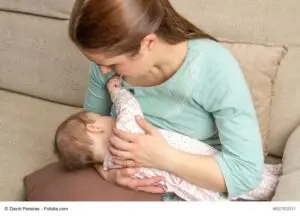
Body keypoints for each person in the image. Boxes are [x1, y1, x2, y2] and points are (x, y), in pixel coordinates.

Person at [68, 0, 265, 200]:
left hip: (195, 185)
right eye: (97, 63)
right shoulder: (105, 68)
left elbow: (245, 173)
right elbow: (87, 131)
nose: (102, 70)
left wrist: (163, 157)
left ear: (148, 43)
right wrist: (108, 173)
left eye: (111, 63)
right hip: (126, 179)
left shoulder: (212, 66)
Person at [54, 76, 281, 201]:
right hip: (196, 161)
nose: (105, 115)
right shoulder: (125, 130)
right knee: (246, 178)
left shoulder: (111, 164)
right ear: (94, 128)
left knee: (234, 189)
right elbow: (128, 106)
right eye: (100, 117)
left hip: (192, 193)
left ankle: (272, 181)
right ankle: (278, 187)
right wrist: (115, 91)